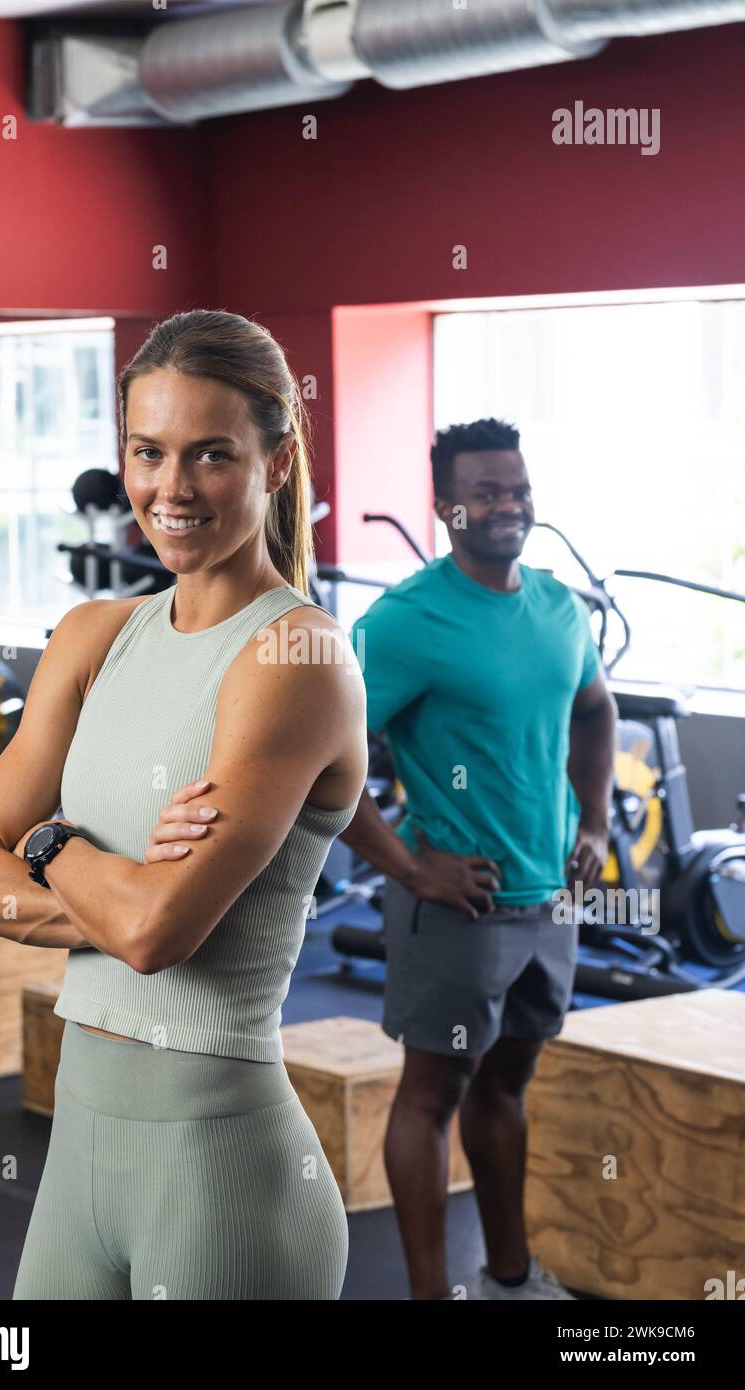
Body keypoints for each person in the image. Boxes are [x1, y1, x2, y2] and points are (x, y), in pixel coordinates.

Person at [0, 309, 368, 1301]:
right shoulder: (92, 636)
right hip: (78, 1146)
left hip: (222, 1171)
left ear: (274, 463)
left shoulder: (295, 658)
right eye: (148, 451)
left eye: (211, 454)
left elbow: (153, 933)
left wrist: (49, 844)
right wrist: (112, 878)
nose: (170, 488)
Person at [342, 418, 616, 1301]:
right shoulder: (404, 623)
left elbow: (594, 710)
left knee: (508, 1084)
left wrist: (595, 825)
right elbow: (317, 761)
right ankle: (432, 1296)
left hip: (546, 904)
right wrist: (407, 866)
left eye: (519, 489)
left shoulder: (557, 607)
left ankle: (507, 1276)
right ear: (447, 504)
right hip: (458, 907)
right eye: (488, 492)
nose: (508, 506)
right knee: (432, 1092)